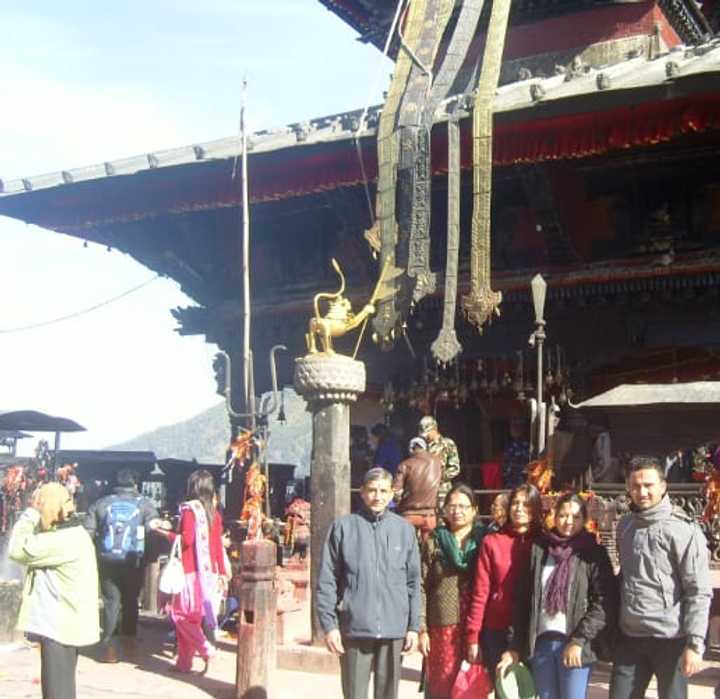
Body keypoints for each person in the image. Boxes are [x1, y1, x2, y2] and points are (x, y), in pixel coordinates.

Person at [610, 455, 711, 699]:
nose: (641, 492)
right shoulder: (624, 526)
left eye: (648, 485)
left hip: (671, 638)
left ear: (663, 486)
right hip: (631, 636)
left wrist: (695, 643)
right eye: (635, 486)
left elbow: (698, 591)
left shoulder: (684, 530)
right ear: (627, 488)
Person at [499, 492, 617, 699]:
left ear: (585, 520)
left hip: (575, 644)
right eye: (563, 515)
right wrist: (515, 645)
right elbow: (523, 601)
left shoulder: (593, 554)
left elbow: (603, 602)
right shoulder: (539, 550)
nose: (568, 522)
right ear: (554, 516)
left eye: (576, 517)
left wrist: (579, 641)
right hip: (541, 643)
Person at [316, 467, 421, 699]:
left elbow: (413, 582)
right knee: (354, 694)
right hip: (355, 625)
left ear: (392, 494)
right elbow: (327, 580)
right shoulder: (343, 528)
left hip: (394, 627)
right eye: (372, 490)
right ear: (362, 493)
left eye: (383, 490)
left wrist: (414, 626)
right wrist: (329, 626)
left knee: (388, 695)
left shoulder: (404, 530)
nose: (377, 496)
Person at [9, 482, 100, 699]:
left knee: (57, 692)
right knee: (58, 688)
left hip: (60, 627)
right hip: (64, 625)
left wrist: (30, 514)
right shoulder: (72, 533)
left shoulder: (64, 540)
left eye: (41, 505)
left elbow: (17, 549)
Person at [85, 467, 162, 663]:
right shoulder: (145, 505)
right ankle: (129, 646)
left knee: (111, 601)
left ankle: (108, 647)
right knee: (130, 601)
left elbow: (88, 533)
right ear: (135, 484)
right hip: (133, 560)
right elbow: (155, 529)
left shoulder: (100, 504)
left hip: (107, 559)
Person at [465, 483, 542, 680]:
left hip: (534, 630)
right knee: (504, 689)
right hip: (497, 628)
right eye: (515, 503)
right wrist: (473, 636)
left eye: (526, 504)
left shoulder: (545, 543)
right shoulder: (492, 542)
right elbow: (480, 592)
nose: (519, 508)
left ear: (536, 508)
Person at [419, 483, 486, 699]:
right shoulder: (434, 541)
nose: (457, 511)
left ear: (474, 510)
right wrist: (421, 628)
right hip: (442, 627)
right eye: (452, 506)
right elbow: (420, 584)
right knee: (441, 686)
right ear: (445, 509)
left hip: (477, 627)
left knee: (472, 687)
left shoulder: (484, 541)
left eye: (463, 506)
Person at [159, 469, 228, 673]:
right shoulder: (214, 514)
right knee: (193, 619)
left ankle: (207, 650)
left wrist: (165, 534)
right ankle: (184, 662)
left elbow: (186, 540)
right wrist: (222, 572)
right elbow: (217, 546)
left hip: (190, 572)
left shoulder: (188, 511)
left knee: (179, 615)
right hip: (209, 574)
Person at [393, 436, 443, 541]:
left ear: (411, 449)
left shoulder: (405, 465)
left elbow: (396, 492)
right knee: (429, 552)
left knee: (405, 549)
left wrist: (396, 504)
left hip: (409, 515)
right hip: (430, 515)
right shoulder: (438, 462)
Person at [418, 416, 460, 508]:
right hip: (424, 491)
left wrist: (439, 477)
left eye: (428, 433)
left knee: (444, 518)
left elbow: (455, 468)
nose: (426, 436)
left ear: (435, 429)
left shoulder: (447, 444)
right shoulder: (421, 445)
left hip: (442, 491)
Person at [502, 417, 530, 488]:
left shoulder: (528, 446)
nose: (514, 429)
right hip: (509, 483)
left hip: (523, 483)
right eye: (512, 426)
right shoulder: (508, 446)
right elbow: (505, 465)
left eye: (517, 426)